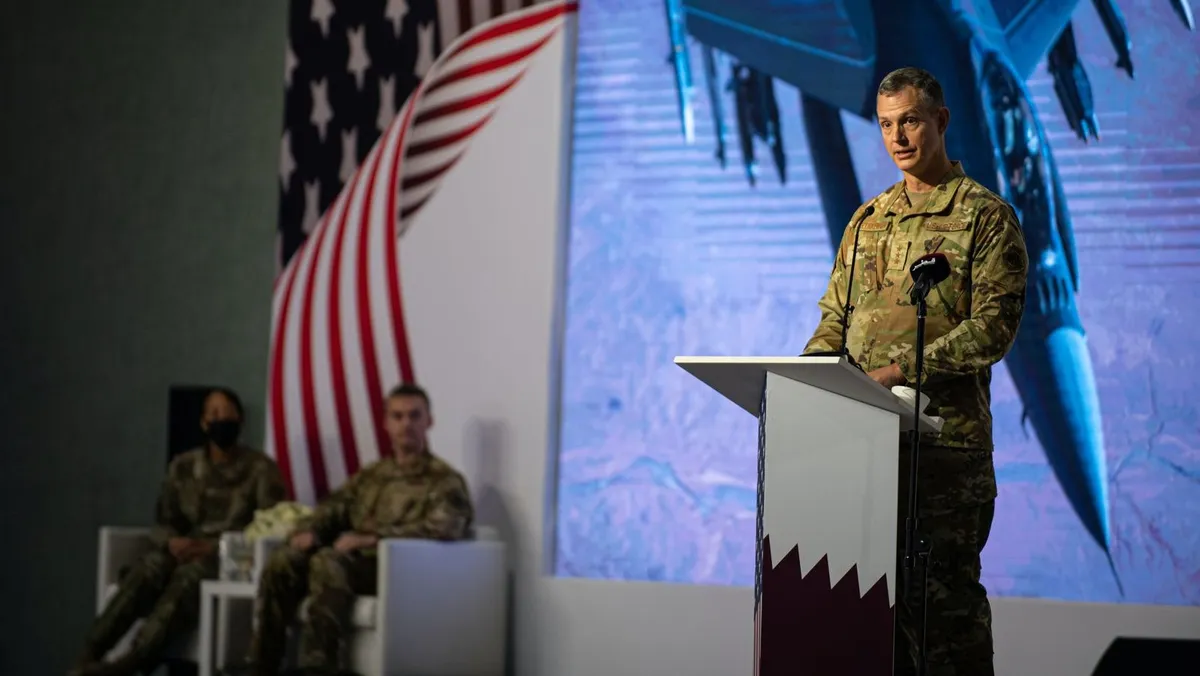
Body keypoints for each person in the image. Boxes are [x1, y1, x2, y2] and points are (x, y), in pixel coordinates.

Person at [803, 67, 1029, 675]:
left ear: (941, 121)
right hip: (866, 452)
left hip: (944, 454)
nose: (897, 137)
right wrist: (810, 382)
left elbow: (993, 329)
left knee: (943, 622)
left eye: (909, 121)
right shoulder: (868, 220)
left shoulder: (985, 218)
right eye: (885, 125)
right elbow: (834, 318)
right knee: (872, 627)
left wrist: (901, 370)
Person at [237, 383, 475, 676]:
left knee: (328, 561)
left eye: (415, 416)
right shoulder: (372, 475)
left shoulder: (444, 479)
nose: (406, 425)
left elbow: (446, 527)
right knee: (284, 559)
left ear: (429, 421)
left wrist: (373, 538)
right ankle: (261, 664)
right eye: (398, 416)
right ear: (386, 423)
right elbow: (335, 505)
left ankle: (319, 666)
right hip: (351, 560)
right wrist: (311, 530)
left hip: (397, 570)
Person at [71, 387, 287, 676]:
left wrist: (213, 548)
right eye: (214, 414)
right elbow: (164, 521)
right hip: (180, 549)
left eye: (227, 413)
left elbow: (267, 528)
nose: (221, 419)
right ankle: (90, 653)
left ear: (240, 420)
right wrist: (172, 543)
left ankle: (133, 660)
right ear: (203, 423)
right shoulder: (183, 466)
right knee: (150, 567)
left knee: (189, 577)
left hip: (225, 559)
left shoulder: (261, 469)